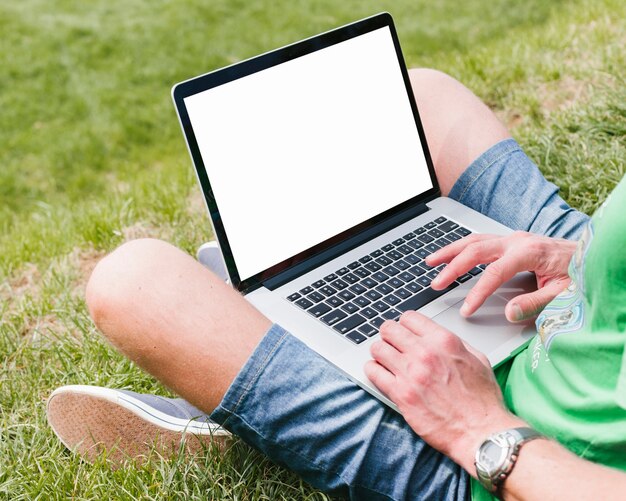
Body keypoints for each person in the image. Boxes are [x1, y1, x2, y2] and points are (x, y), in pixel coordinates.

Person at [47, 68, 626, 500]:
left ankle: (255, 395)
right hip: (583, 303)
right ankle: (275, 321)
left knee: (134, 283)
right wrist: (578, 258)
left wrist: (481, 428)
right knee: (420, 97)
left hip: (498, 465)